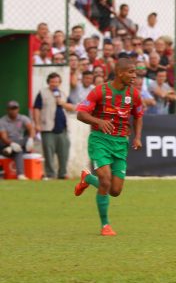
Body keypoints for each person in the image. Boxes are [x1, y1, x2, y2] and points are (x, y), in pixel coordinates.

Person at [72, 57, 144, 236]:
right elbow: (81, 114)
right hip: (100, 140)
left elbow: (138, 115)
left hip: (120, 143)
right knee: (105, 180)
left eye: (135, 72)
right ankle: (105, 225)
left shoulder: (133, 94)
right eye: (131, 72)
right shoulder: (100, 91)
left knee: (115, 191)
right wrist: (98, 121)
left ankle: (87, 179)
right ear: (120, 73)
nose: (134, 76)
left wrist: (137, 137)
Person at [33, 72, 74, 179]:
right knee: (48, 153)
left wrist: (62, 103)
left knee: (64, 153)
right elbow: (36, 108)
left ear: (59, 83)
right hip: (48, 128)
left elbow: (72, 107)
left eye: (56, 82)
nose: (54, 84)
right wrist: (37, 124)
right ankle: (50, 174)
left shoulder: (63, 94)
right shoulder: (42, 93)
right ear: (48, 82)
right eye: (52, 82)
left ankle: (63, 174)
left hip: (63, 129)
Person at [1, 100, 36, 180]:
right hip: (6, 145)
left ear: (18, 109)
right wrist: (11, 144)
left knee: (25, 140)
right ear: (8, 110)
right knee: (18, 150)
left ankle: (20, 174)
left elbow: (31, 129)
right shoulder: (2, 121)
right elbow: (3, 137)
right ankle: (20, 175)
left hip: (17, 145)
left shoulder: (22, 118)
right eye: (11, 109)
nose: (13, 111)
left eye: (15, 108)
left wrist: (31, 139)